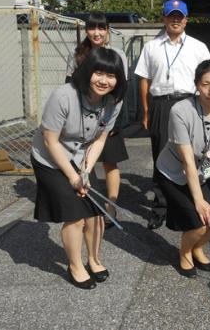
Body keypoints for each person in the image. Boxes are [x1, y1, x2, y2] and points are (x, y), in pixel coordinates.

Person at [31, 47, 128, 288]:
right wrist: (73, 178)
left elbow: (101, 139)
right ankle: (75, 265)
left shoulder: (114, 101)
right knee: (75, 215)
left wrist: (85, 170)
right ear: (87, 72)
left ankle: (94, 259)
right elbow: (49, 140)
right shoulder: (63, 96)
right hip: (50, 158)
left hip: (81, 155)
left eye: (112, 75)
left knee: (94, 211)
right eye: (99, 73)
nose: (104, 81)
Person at [155, 59, 210, 277]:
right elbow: (186, 160)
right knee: (200, 221)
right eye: (205, 84)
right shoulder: (180, 110)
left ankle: (197, 248)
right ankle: (184, 254)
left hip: (203, 170)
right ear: (196, 85)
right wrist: (200, 201)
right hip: (174, 171)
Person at [135, 0, 210, 230]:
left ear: (186, 20)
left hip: (189, 103)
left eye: (180, 16)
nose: (175, 20)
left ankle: (191, 200)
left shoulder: (198, 47)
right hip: (161, 104)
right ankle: (160, 208)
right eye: (171, 16)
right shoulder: (151, 47)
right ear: (164, 19)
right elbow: (144, 80)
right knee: (161, 155)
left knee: (192, 155)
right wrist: (146, 111)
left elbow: (208, 78)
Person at [65, 12, 129, 229]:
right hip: (81, 119)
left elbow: (122, 88)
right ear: (86, 30)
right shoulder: (76, 56)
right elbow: (69, 88)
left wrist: (116, 121)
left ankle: (110, 208)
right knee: (83, 162)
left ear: (108, 30)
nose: (97, 32)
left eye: (101, 28)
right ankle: (88, 208)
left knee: (110, 162)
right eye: (92, 28)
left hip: (108, 116)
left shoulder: (118, 54)